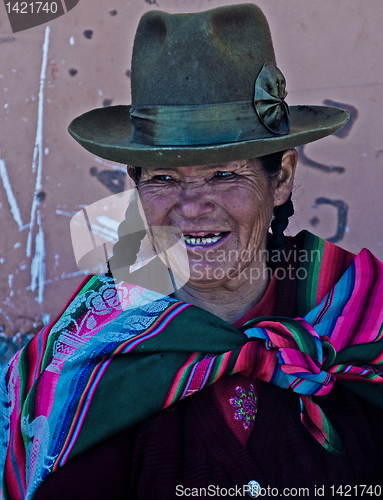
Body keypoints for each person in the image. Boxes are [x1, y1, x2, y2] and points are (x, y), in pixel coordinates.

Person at [1, 4, 383, 499]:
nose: (192, 208)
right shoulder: (90, 350)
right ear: (135, 189)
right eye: (164, 179)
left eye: (225, 174)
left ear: (282, 177)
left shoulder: (359, 314)